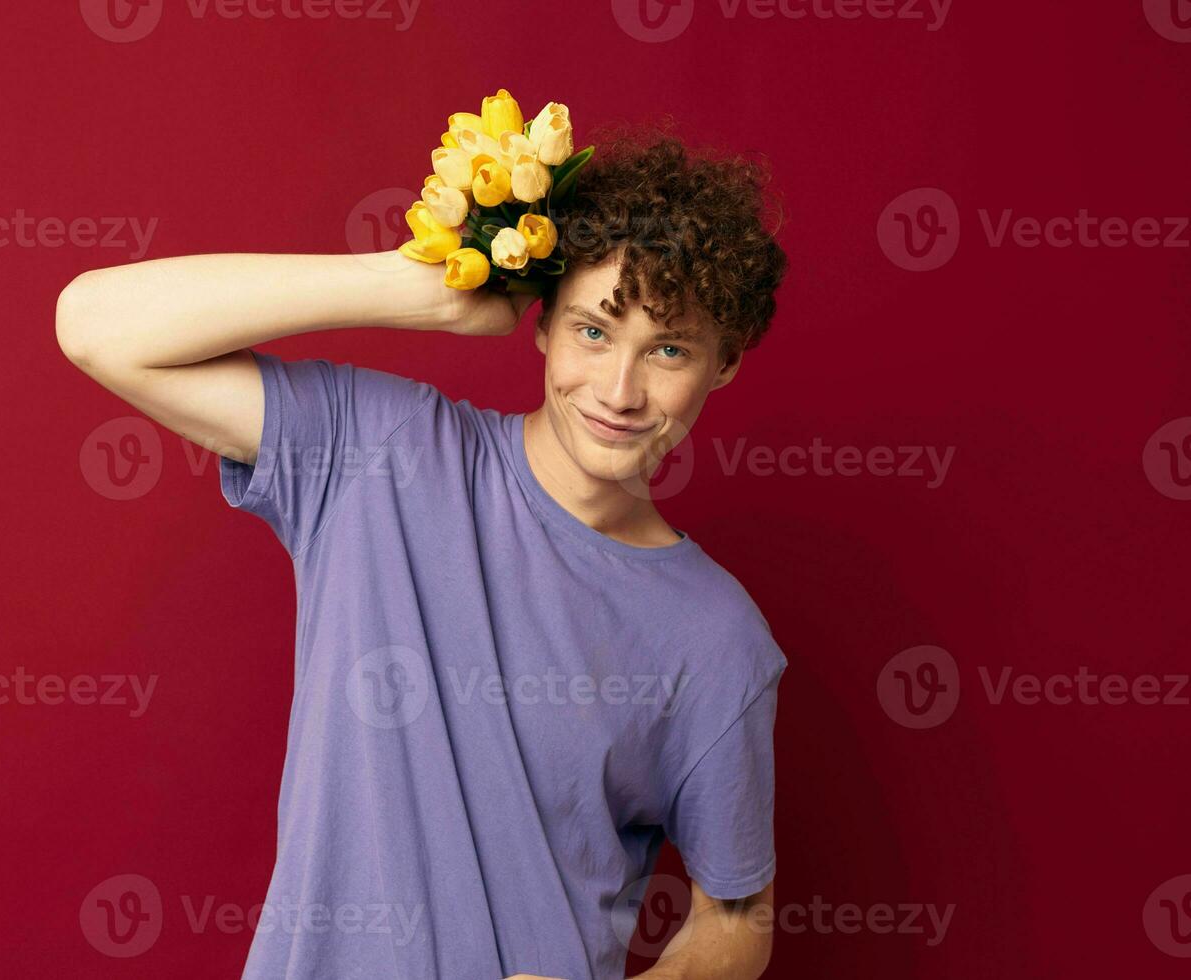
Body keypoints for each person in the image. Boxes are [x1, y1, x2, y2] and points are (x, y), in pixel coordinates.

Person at [55, 124, 790, 980]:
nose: (620, 392)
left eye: (668, 350)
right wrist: (419, 289)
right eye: (594, 330)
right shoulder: (382, 453)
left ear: (724, 364)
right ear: (542, 322)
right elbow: (94, 325)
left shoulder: (718, 637)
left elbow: (736, 921)